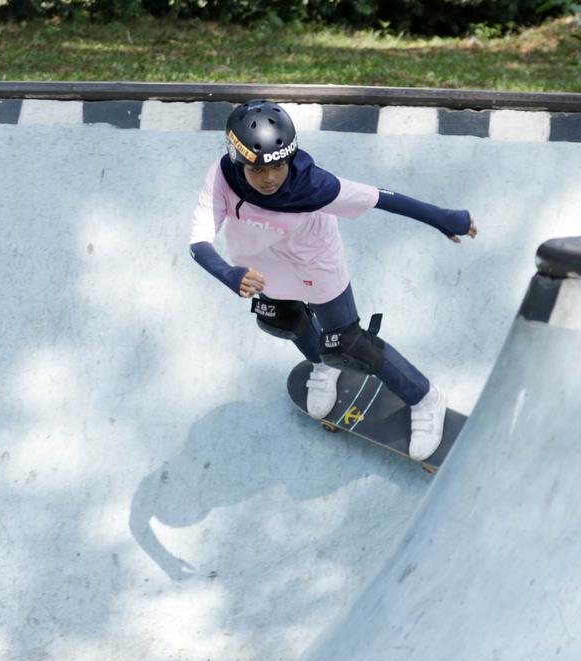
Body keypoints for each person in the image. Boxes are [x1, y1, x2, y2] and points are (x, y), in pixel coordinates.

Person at [189, 99, 477, 461]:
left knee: (348, 342)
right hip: (261, 264)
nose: (269, 178)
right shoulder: (221, 177)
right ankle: (322, 367)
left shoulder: (313, 186)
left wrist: (444, 218)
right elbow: (198, 242)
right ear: (238, 161)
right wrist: (230, 274)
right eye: (257, 169)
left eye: (278, 166)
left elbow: (380, 198)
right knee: (281, 319)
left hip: (314, 263)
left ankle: (424, 398)